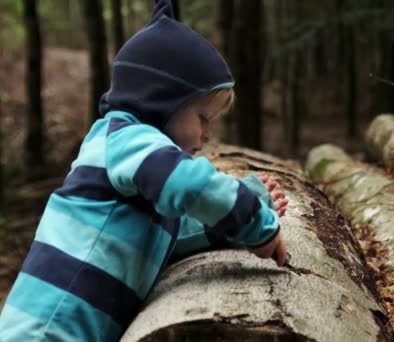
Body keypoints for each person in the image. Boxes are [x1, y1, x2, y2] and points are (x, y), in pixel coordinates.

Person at [0, 1, 288, 341]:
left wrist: (246, 211)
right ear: (162, 101)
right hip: (49, 331)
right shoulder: (127, 140)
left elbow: (170, 236)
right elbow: (191, 184)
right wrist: (256, 223)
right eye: (203, 118)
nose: (207, 135)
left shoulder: (139, 169)